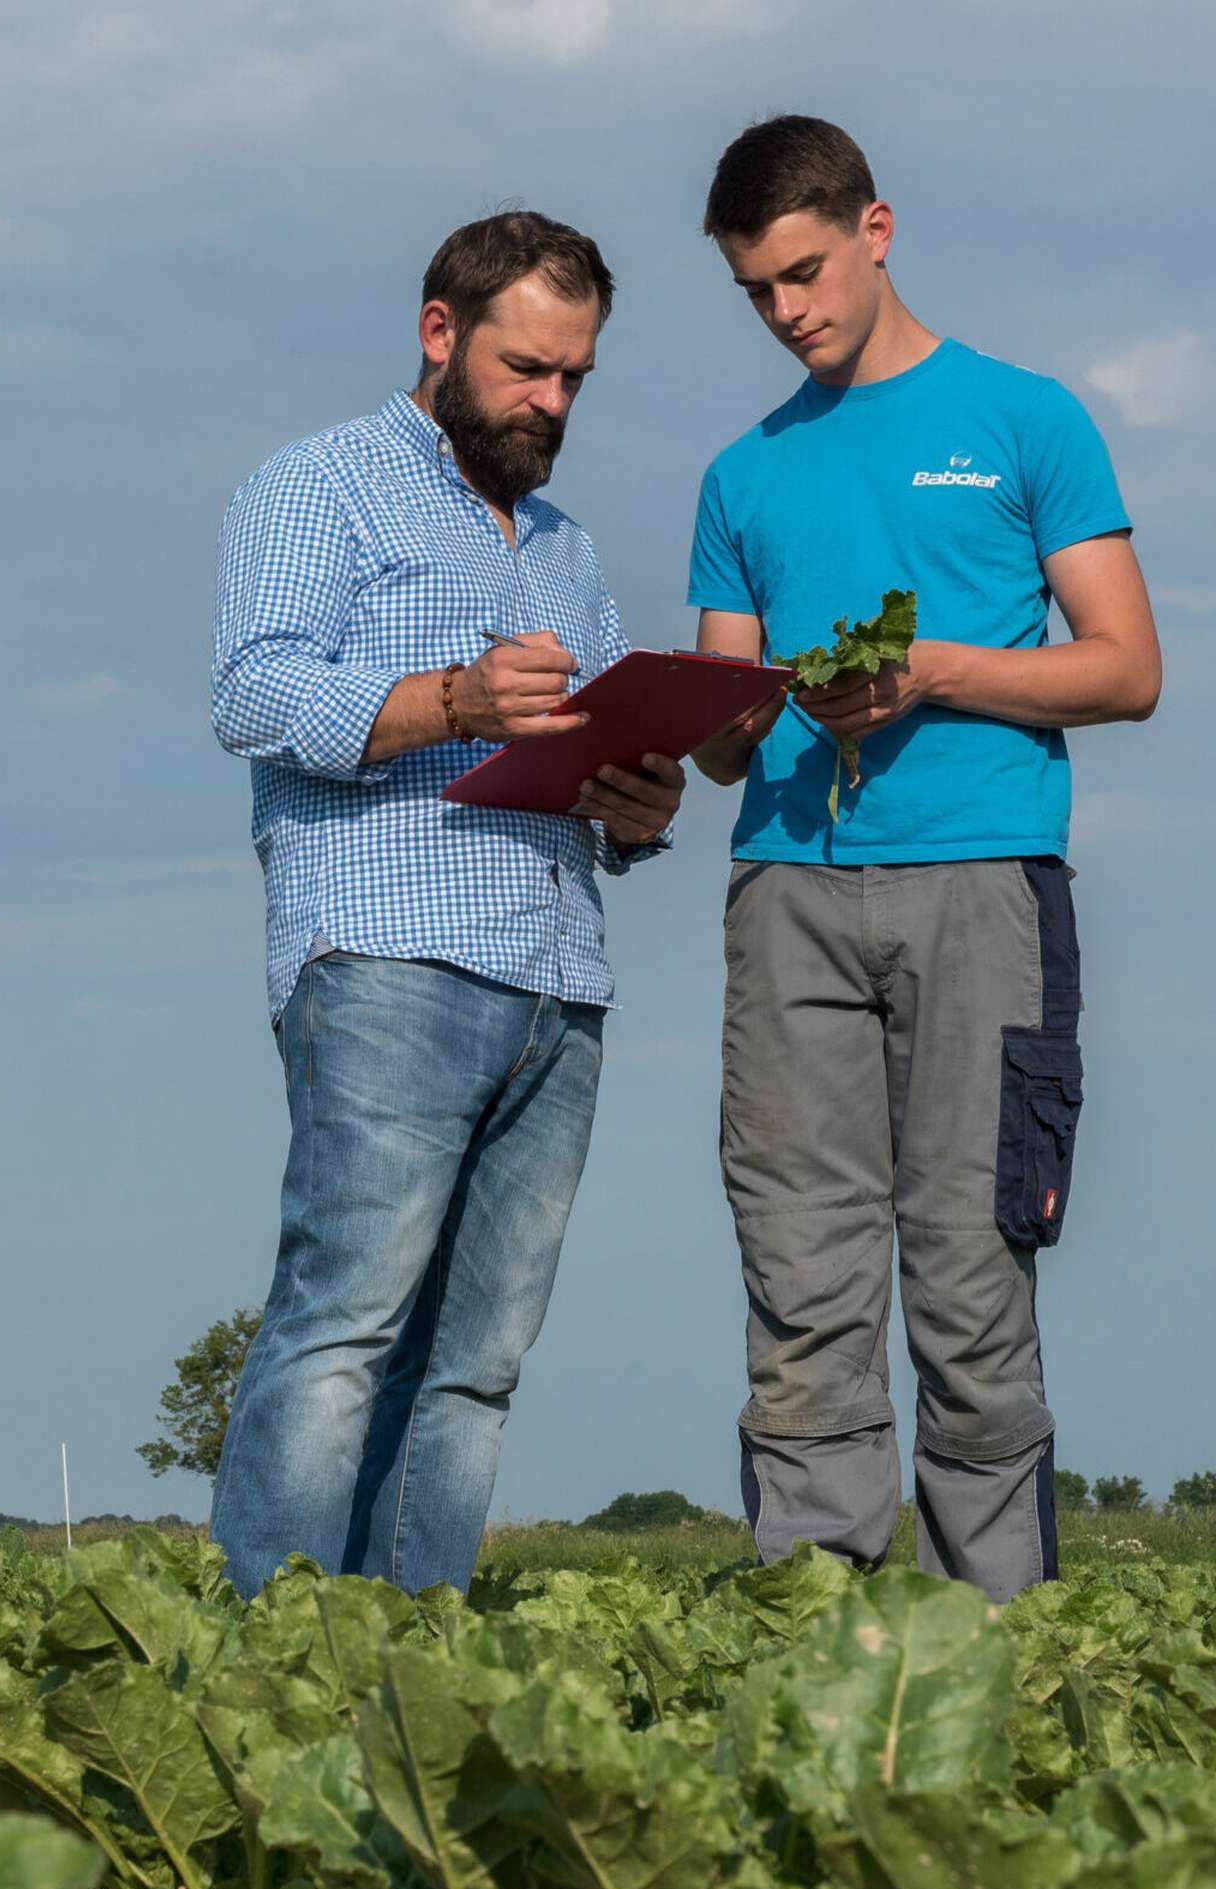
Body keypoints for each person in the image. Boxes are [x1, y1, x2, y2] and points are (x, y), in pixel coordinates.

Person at [683, 118, 1163, 1600]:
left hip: (984, 878)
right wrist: (715, 719)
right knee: (804, 1272)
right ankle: (814, 1617)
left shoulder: (1028, 421)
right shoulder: (738, 478)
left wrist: (936, 673)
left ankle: (998, 1630)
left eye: (805, 274)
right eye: (758, 291)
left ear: (876, 229)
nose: (788, 313)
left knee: (968, 1272)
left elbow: (1127, 668)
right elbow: (717, 728)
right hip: (788, 891)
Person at [206, 211, 686, 1598]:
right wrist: (459, 701)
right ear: (439, 332)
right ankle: (277, 1662)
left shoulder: (567, 549)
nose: (553, 403)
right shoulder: (320, 487)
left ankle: (418, 1656)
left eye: (576, 378)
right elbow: (256, 694)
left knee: (475, 1370)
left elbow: (591, 757)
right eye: (529, 369)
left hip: (557, 981)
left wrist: (636, 808)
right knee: (345, 1330)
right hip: (389, 961)